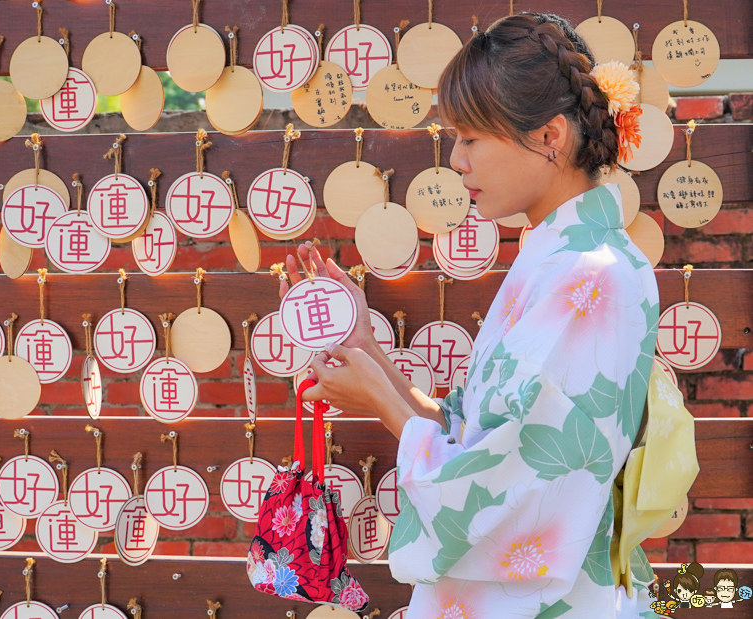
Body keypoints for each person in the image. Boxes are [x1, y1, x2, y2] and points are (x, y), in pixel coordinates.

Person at [279, 11, 660, 619]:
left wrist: (379, 397)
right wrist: (366, 347)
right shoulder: (561, 258)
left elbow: (510, 483)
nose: (456, 161)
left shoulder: (593, 274)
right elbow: (477, 435)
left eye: (471, 138)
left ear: (550, 137)